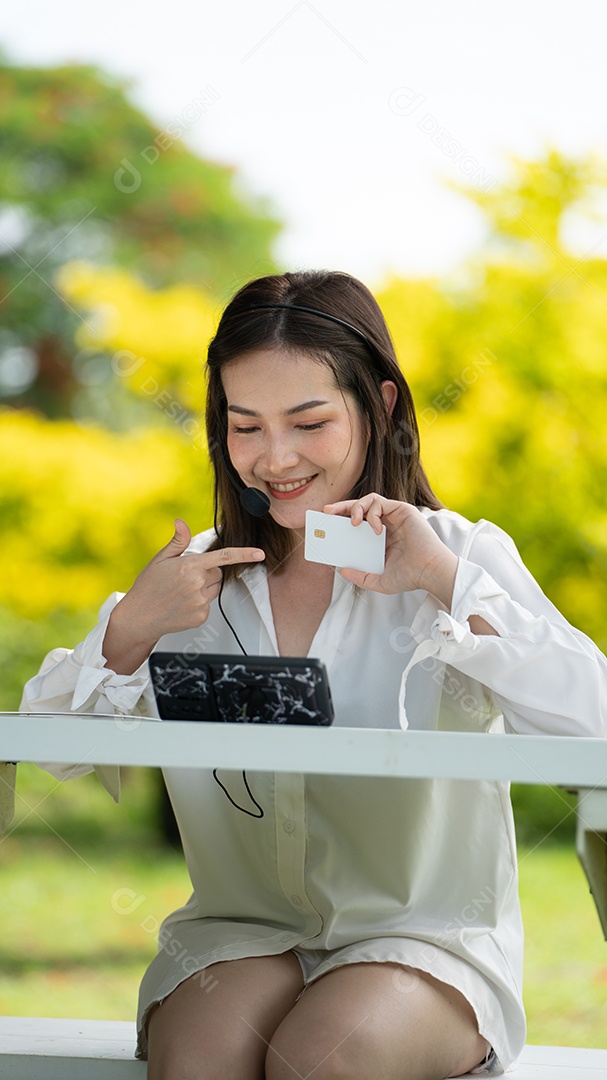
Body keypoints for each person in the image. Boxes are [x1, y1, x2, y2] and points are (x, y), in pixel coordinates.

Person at [21, 269, 607, 1080]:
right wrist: (128, 632)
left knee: (318, 1059)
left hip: (420, 943)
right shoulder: (191, 584)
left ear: (382, 407)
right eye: (245, 426)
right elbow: (50, 753)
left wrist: (443, 583)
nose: (275, 458)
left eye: (308, 422)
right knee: (197, 1058)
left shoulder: (458, 557)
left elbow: (595, 723)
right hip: (242, 931)